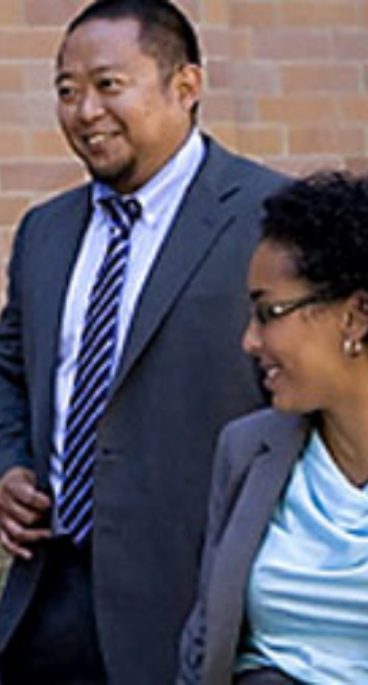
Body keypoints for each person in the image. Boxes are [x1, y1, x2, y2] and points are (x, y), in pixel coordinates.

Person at [0, 0, 288, 682]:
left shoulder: (271, 218)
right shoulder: (45, 231)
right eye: (66, 90)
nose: (85, 111)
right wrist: (4, 468)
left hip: (201, 605)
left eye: (109, 85)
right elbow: (4, 371)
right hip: (48, 604)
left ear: (187, 86)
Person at [179, 172, 368, 684]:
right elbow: (205, 639)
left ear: (355, 317)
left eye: (269, 313)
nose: (249, 341)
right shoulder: (247, 451)